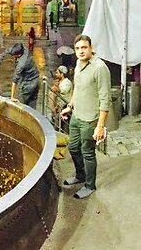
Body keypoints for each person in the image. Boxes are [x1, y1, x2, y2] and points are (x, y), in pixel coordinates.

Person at [60, 35, 111, 199]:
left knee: (87, 152)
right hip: (76, 116)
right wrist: (70, 106)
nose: (81, 51)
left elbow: (105, 100)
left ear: (91, 48)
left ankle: (90, 185)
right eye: (78, 48)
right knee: (73, 148)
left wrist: (100, 126)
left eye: (84, 47)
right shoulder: (78, 63)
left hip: (90, 120)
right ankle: (80, 175)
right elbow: (77, 87)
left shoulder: (100, 68)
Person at [0, 43, 39, 109]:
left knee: (19, 104)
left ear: (19, 55)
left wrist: (12, 97)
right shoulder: (20, 48)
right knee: (31, 104)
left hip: (29, 82)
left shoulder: (22, 63)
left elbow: (15, 80)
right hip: (32, 76)